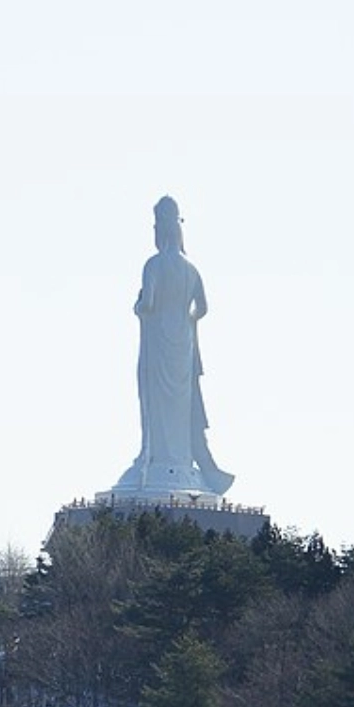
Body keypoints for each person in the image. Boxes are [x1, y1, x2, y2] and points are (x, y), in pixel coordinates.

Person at [115, 196, 233, 497]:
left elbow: (147, 304)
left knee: (155, 402)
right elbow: (203, 308)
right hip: (183, 345)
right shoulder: (191, 270)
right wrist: (187, 322)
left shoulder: (153, 265)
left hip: (158, 344)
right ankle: (175, 459)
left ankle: (157, 458)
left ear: (159, 229)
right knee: (180, 407)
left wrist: (138, 304)